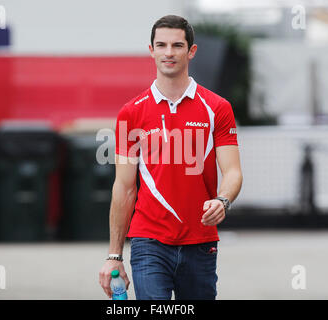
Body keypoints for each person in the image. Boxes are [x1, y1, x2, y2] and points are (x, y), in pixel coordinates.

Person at [99, 14, 243, 300]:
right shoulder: (132, 112)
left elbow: (233, 172)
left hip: (201, 241)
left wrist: (223, 200)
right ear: (151, 50)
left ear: (191, 51)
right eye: (161, 45)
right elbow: (124, 187)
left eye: (177, 45)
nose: (168, 53)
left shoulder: (217, 108)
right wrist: (114, 255)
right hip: (148, 241)